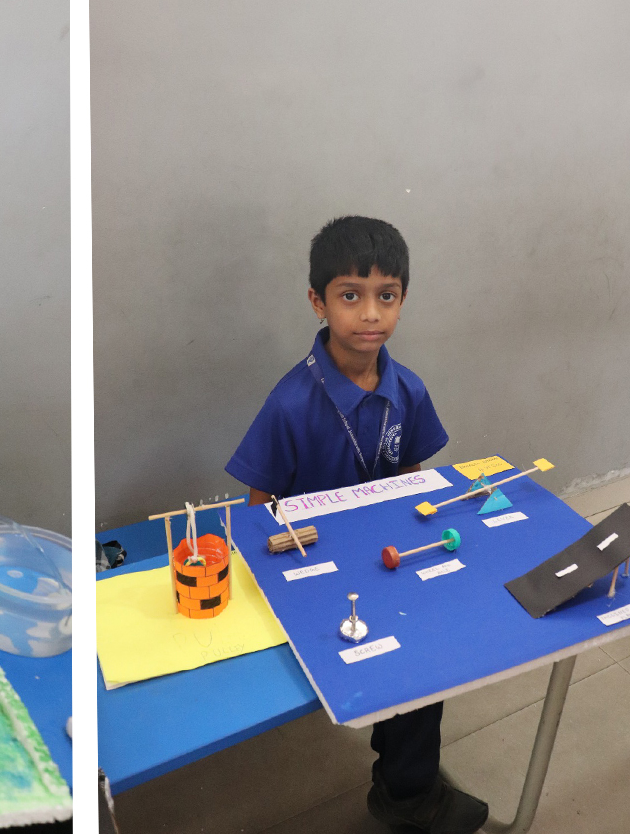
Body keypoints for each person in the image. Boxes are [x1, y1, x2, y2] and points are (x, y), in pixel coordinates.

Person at [226, 216, 488, 834]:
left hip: (386, 558)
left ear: (402, 299)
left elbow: (413, 483)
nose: (370, 314)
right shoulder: (289, 403)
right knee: (369, 663)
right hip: (314, 570)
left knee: (425, 658)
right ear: (318, 302)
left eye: (386, 296)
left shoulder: (409, 390)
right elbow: (259, 513)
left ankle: (404, 790)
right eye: (351, 295)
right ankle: (408, 781)